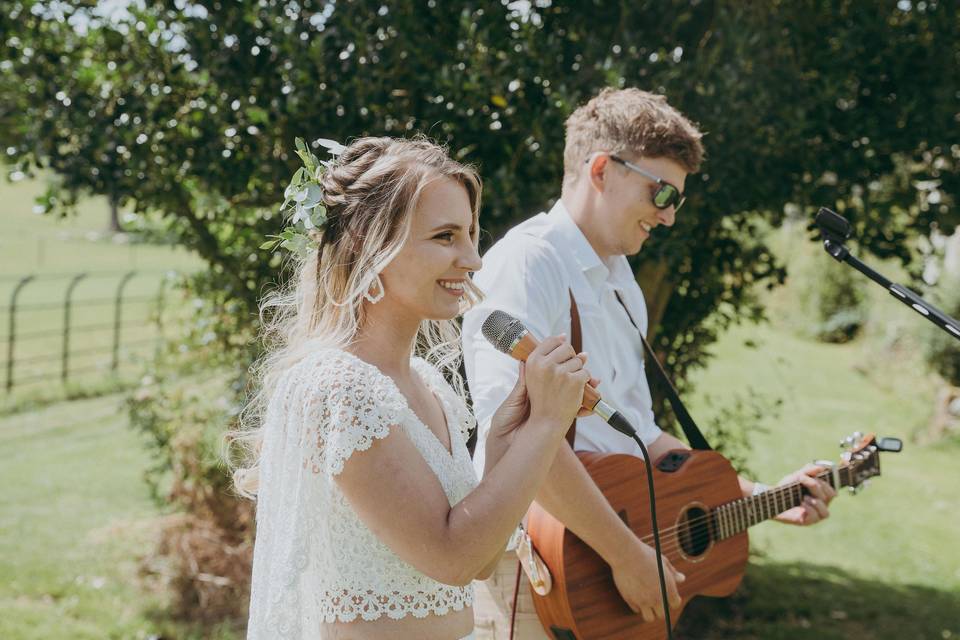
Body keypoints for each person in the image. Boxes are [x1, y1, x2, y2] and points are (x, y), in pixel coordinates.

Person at [462, 88, 838, 639]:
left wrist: (761, 497)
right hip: (538, 570)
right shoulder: (528, 264)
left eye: (677, 200)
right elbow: (517, 438)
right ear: (600, 170)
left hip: (617, 561)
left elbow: (639, 435)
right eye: (660, 192)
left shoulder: (621, 283)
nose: (667, 216)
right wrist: (627, 555)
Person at [231, 135, 601, 640]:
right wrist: (548, 424)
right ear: (368, 242)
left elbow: (482, 559)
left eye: (471, 234)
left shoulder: (428, 387)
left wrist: (505, 444)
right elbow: (451, 557)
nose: (473, 260)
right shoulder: (339, 388)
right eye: (445, 237)